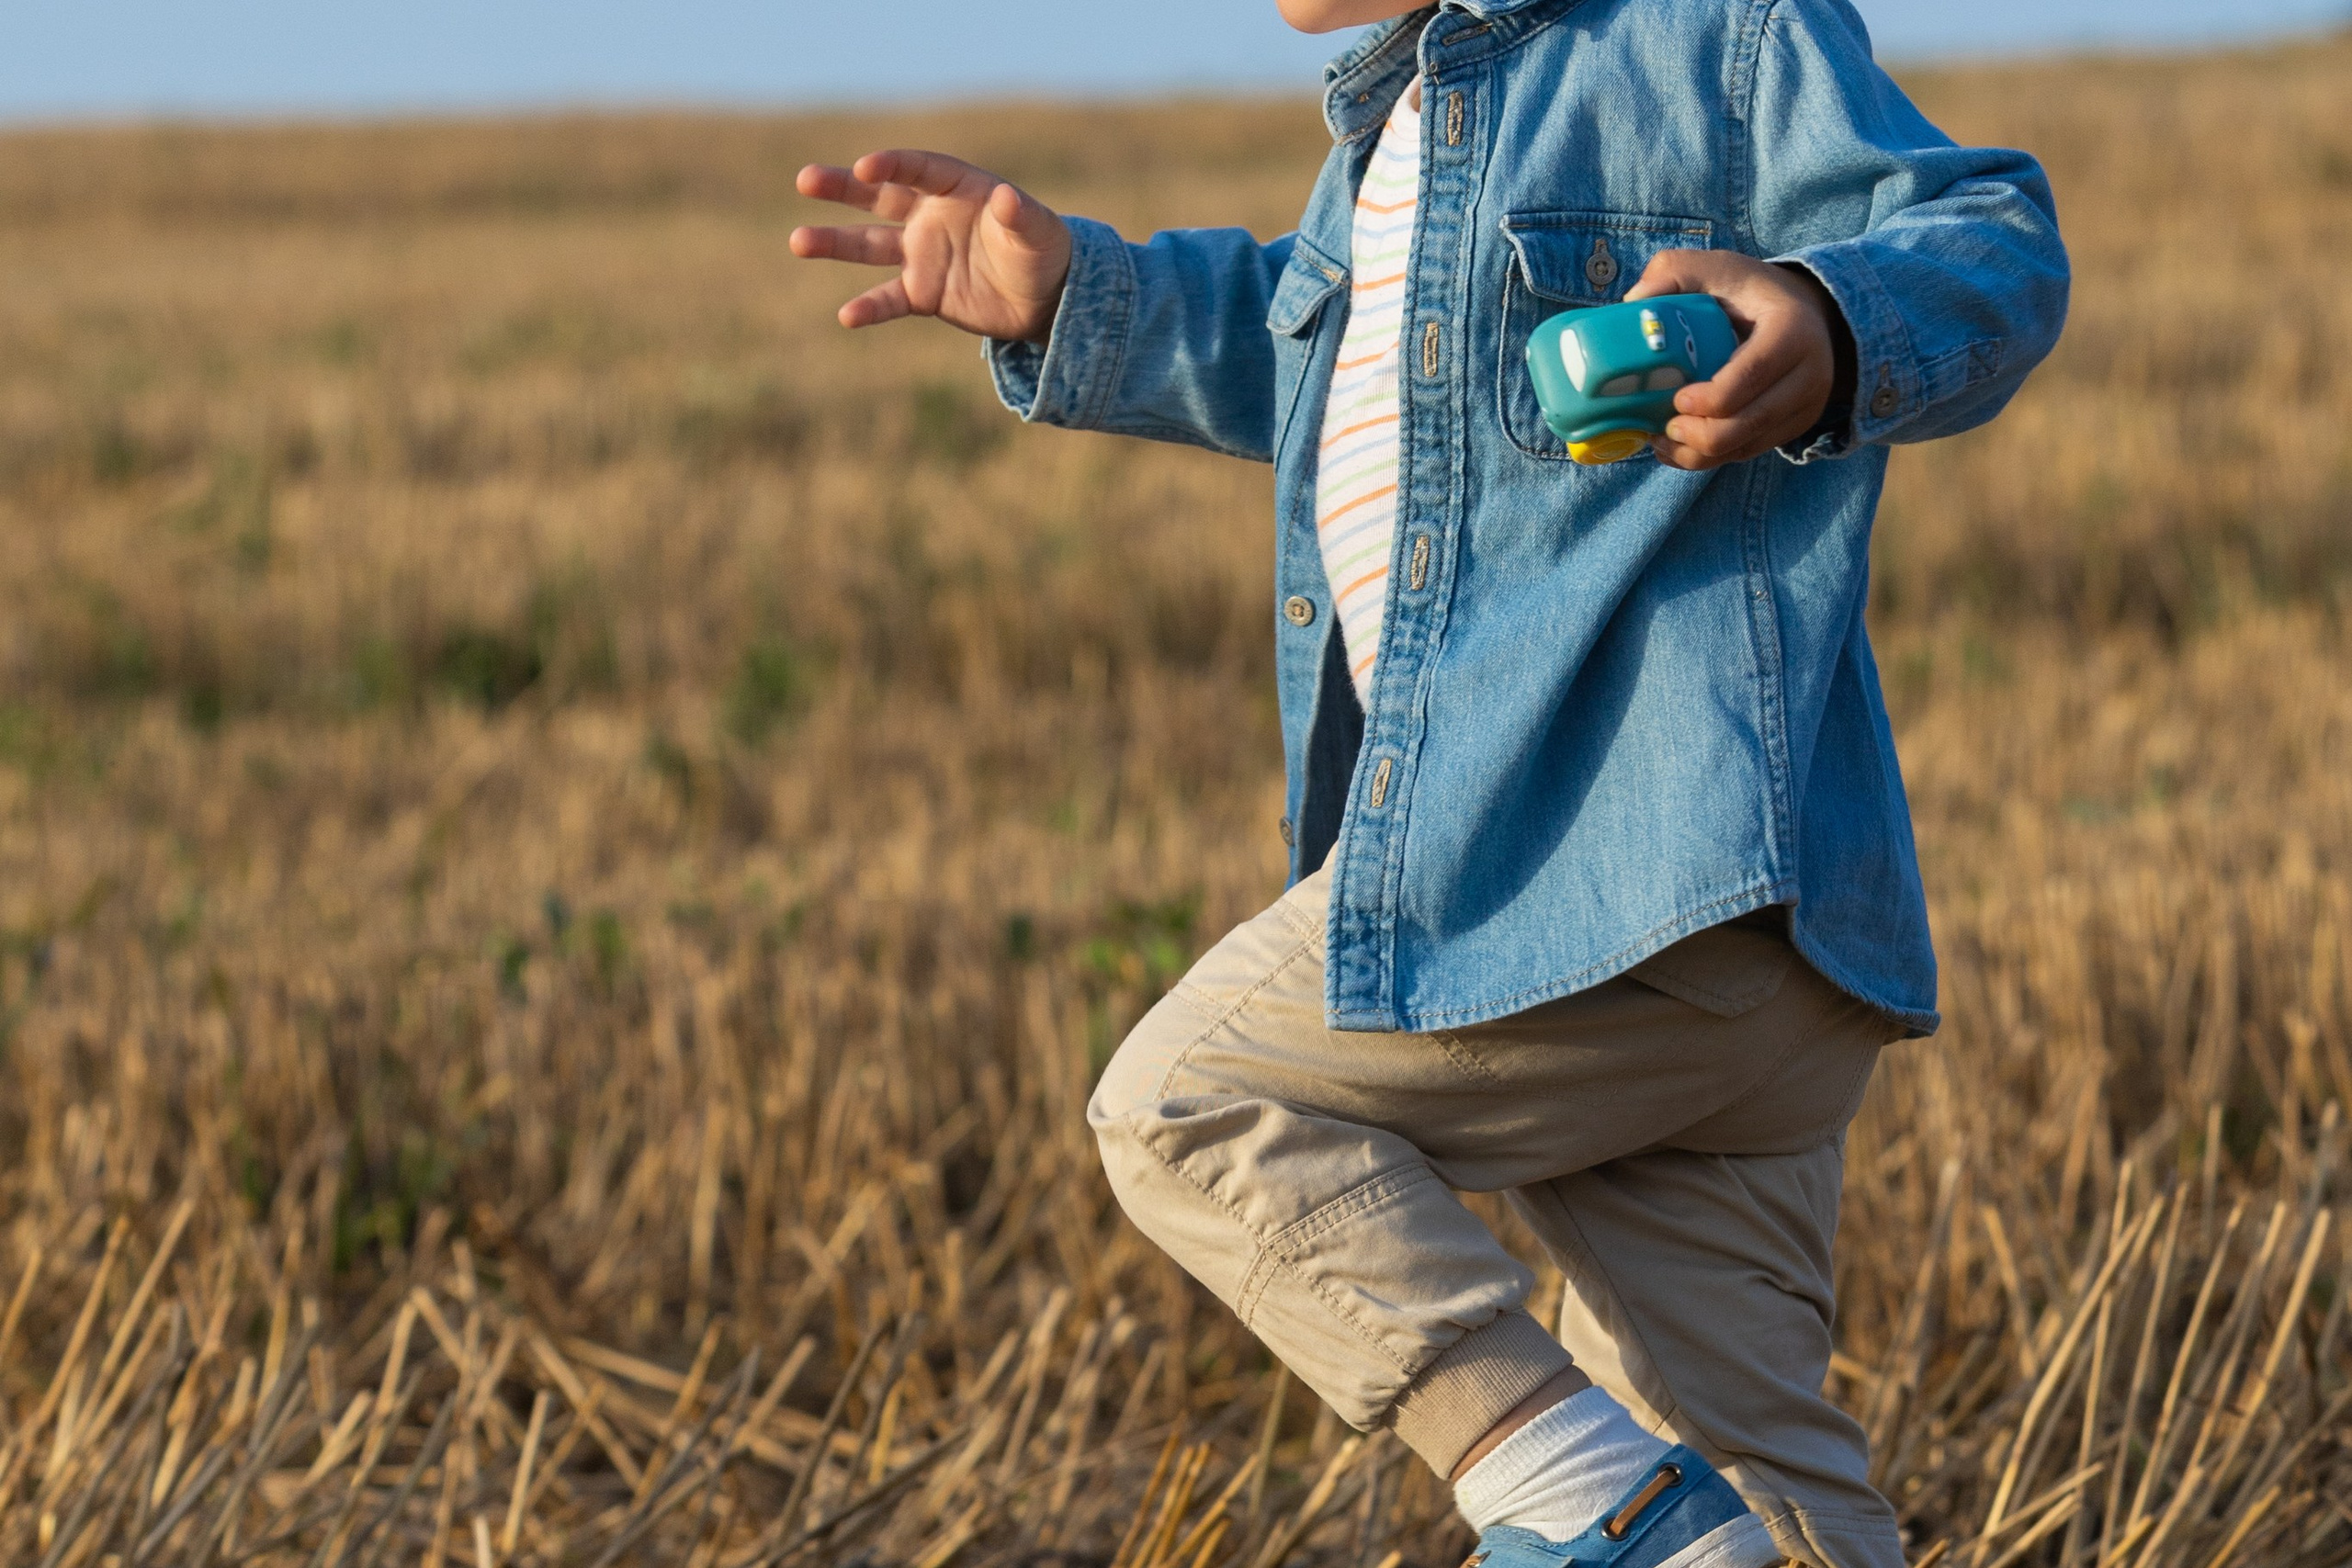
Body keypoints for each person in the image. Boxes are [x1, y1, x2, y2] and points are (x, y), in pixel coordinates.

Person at [791, 2, 2067, 1563]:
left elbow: (1996, 230)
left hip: (1612, 860)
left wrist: (1827, 313)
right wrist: (1075, 298)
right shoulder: (1392, 133)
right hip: (1741, 946)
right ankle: (1667, 1509)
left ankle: (1569, 1488)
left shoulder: (1708, 31)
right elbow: (1332, 361)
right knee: (1759, 1482)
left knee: (1190, 1101)